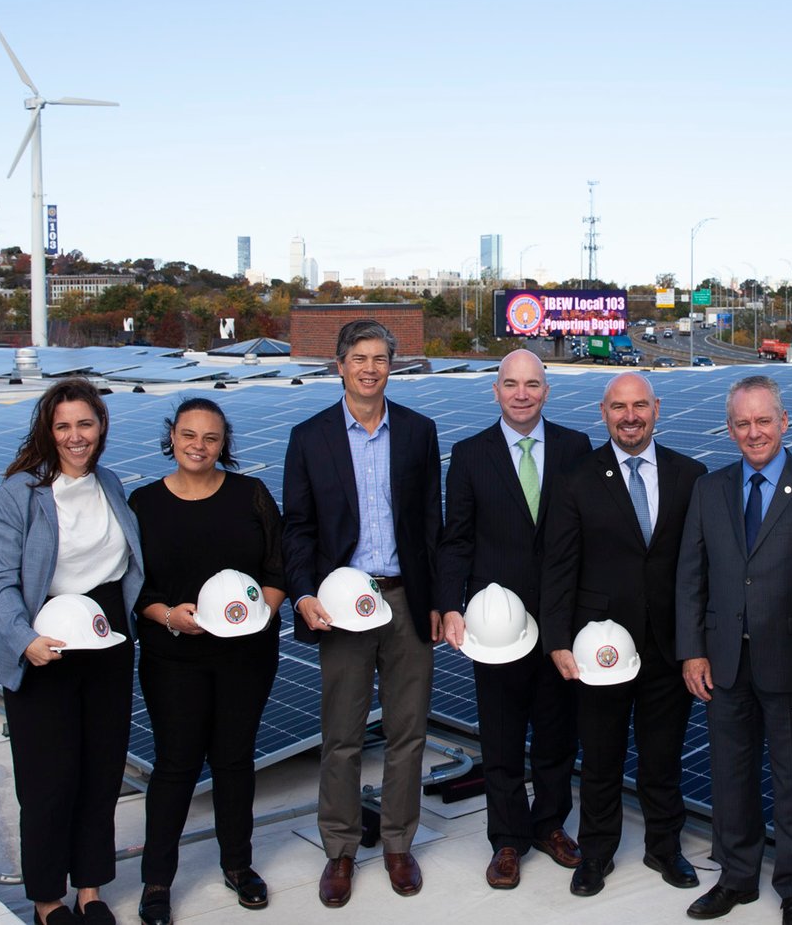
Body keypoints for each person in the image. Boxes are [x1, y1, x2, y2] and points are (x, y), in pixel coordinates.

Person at [282, 320, 443, 907]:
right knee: (343, 735)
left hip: (404, 599)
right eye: (360, 358)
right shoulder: (310, 437)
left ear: (391, 365)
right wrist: (303, 594)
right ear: (340, 365)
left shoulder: (419, 432)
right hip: (342, 603)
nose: (371, 368)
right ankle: (341, 851)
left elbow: (431, 525)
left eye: (381, 358)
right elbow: (296, 529)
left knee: (408, 731)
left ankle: (399, 844)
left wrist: (436, 603)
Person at [676, 375, 792, 925]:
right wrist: (692, 652)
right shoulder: (710, 489)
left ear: (784, 421)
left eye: (763, 421)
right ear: (729, 430)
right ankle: (736, 878)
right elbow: (691, 577)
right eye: (743, 424)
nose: (754, 433)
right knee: (731, 775)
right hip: (724, 661)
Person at [0, 378, 144, 925]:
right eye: (63, 426)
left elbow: (126, 570)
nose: (76, 437)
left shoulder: (111, 483)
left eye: (85, 424)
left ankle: (89, 889)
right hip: (42, 638)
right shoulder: (19, 493)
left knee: (100, 773)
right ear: (49, 431)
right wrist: (25, 640)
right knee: (48, 781)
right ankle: (48, 898)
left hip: (107, 637)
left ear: (101, 427)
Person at [540, 372, 707, 897]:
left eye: (639, 405)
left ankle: (664, 847)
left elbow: (698, 568)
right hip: (600, 648)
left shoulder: (690, 475)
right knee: (602, 757)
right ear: (603, 411)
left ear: (656, 408)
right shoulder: (576, 477)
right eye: (619, 407)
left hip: (668, 647)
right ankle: (595, 854)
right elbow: (559, 566)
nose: (629, 416)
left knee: (663, 757)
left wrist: (696, 644)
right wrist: (558, 640)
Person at [438, 349, 593, 890]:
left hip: (560, 620)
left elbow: (586, 537)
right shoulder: (469, 454)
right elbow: (455, 540)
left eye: (532, 383)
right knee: (501, 738)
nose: (522, 393)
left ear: (546, 390)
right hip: (494, 627)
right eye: (511, 384)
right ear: (496, 391)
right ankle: (507, 840)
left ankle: (550, 824)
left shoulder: (577, 448)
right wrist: (451, 605)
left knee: (557, 733)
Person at [128, 398, 285, 925]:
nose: (199, 446)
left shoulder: (251, 494)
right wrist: (170, 615)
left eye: (211, 438)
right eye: (189, 435)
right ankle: (156, 882)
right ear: (171, 437)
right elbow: (132, 586)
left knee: (235, 760)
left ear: (225, 443)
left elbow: (277, 566)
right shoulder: (143, 504)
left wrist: (260, 614)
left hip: (246, 654)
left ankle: (238, 866)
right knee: (176, 765)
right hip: (174, 654)